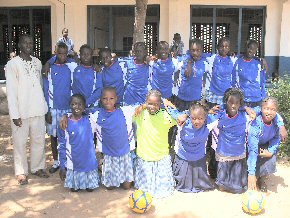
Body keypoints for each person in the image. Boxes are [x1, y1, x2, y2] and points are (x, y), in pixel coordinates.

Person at [60, 87, 136, 190]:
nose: (108, 101)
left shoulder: (126, 111)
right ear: (100, 99)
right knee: (110, 187)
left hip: (125, 154)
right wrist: (65, 115)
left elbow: (142, 108)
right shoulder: (96, 114)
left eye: (111, 98)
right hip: (109, 155)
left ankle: (127, 178)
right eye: (105, 98)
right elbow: (79, 112)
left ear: (116, 99)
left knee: (127, 187)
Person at [5, 34, 49, 185]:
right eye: (25, 43)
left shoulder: (37, 62)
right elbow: (11, 91)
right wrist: (14, 114)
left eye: (31, 43)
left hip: (37, 108)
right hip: (21, 111)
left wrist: (45, 107)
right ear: (19, 45)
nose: (28, 45)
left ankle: (37, 167)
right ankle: (21, 172)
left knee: (38, 140)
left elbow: (41, 87)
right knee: (20, 142)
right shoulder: (12, 64)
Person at [133, 90, 177, 198]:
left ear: (160, 104)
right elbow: (134, 111)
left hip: (160, 156)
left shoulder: (166, 116)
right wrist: (143, 106)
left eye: (156, 104)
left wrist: (167, 102)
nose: (153, 106)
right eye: (150, 103)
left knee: (163, 191)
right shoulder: (139, 114)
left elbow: (177, 115)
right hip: (145, 156)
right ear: (145, 102)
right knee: (144, 190)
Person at [166, 101, 216, 193]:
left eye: (200, 118)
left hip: (199, 159)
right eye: (193, 118)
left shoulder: (209, 123)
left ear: (205, 117)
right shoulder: (182, 121)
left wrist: (245, 108)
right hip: (183, 158)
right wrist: (186, 113)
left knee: (201, 184)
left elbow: (228, 110)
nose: (196, 121)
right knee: (180, 183)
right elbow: (166, 106)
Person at [213, 88, 252, 194]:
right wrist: (209, 111)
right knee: (222, 185)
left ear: (240, 104)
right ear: (226, 102)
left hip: (238, 152)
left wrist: (247, 108)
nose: (233, 106)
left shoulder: (244, 115)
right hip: (224, 151)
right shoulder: (220, 114)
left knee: (239, 187)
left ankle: (234, 184)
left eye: (237, 103)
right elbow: (204, 116)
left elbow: (259, 110)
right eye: (231, 102)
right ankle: (222, 183)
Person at [58, 94, 99, 192]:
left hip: (88, 161)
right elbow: (62, 146)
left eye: (80, 104)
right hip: (74, 161)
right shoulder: (65, 124)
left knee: (90, 189)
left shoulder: (90, 120)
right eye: (74, 104)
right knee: (74, 189)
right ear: (70, 105)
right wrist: (62, 166)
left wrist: (66, 113)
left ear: (85, 106)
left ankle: (90, 181)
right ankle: (75, 182)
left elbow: (98, 111)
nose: (77, 107)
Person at [43, 42, 73, 174]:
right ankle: (56, 162)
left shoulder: (71, 66)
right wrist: (48, 110)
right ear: (55, 53)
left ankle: (66, 161)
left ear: (68, 53)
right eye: (59, 53)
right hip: (54, 109)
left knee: (67, 136)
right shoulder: (50, 68)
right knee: (54, 137)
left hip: (67, 109)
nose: (62, 56)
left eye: (64, 53)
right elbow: (46, 90)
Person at [247, 97, 283, 192]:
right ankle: (252, 175)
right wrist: (251, 173)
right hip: (250, 146)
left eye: (273, 109)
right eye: (267, 108)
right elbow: (253, 149)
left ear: (276, 112)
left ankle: (262, 178)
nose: (269, 112)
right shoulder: (256, 123)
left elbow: (276, 139)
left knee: (270, 156)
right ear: (261, 109)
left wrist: (270, 152)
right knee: (252, 160)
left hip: (264, 144)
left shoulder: (276, 124)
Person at [175, 39, 211, 111]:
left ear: (202, 51)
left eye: (198, 50)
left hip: (196, 99)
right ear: (189, 50)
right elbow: (173, 69)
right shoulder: (183, 61)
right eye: (193, 50)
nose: (195, 53)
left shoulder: (205, 63)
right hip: (182, 99)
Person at [232, 39, 266, 109]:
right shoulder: (237, 62)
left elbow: (262, 82)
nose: (250, 50)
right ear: (245, 47)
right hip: (243, 100)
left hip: (257, 99)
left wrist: (264, 98)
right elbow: (233, 81)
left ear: (255, 51)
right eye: (249, 48)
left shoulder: (259, 64)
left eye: (253, 49)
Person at [72, 44, 102, 108]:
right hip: (78, 105)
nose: (85, 56)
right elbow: (74, 88)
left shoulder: (96, 70)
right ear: (80, 55)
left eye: (88, 54)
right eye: (83, 54)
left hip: (93, 106)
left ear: (91, 55)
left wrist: (86, 102)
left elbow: (99, 90)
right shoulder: (75, 69)